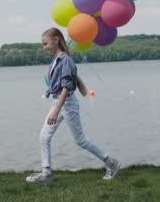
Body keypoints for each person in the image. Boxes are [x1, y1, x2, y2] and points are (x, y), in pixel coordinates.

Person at [26, 27, 120, 183]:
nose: (44, 47)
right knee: (44, 136)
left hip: (67, 104)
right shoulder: (57, 60)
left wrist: (56, 111)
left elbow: (67, 87)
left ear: (56, 40)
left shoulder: (66, 60)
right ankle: (46, 173)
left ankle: (111, 162)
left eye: (45, 43)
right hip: (58, 102)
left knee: (80, 140)